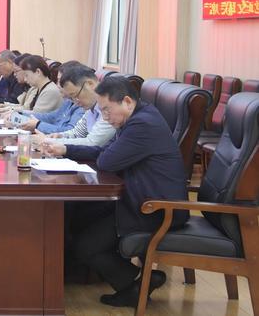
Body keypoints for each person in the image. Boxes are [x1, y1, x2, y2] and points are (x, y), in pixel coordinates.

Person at [44, 76, 189, 308]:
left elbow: (107, 160)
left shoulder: (142, 125)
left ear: (127, 102)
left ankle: (135, 284)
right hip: (137, 198)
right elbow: (103, 151)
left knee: (85, 245)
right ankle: (133, 282)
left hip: (156, 209)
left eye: (106, 110)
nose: (104, 116)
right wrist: (65, 149)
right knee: (77, 216)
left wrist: (95, 153)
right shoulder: (136, 118)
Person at [35, 64, 115, 147]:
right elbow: (77, 133)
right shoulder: (91, 107)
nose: (76, 102)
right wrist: (60, 136)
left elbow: (93, 142)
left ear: (90, 84)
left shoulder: (110, 105)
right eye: (72, 98)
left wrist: (50, 141)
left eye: (76, 95)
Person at [7, 60, 85, 134]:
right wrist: (21, 114)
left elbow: (69, 132)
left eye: (60, 81)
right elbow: (51, 116)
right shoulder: (68, 101)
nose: (58, 85)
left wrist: (37, 124)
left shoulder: (82, 105)